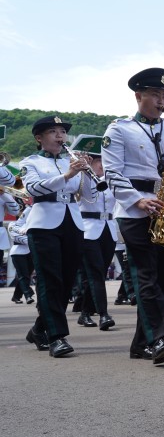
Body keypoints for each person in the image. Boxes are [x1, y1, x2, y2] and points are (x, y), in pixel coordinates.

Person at [102, 68, 164, 364]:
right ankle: (159, 338)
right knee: (146, 274)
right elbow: (112, 173)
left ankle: (141, 344)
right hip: (134, 207)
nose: (161, 100)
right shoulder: (119, 129)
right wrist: (136, 200)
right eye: (155, 94)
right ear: (139, 96)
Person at [21, 115, 90, 357]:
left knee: (68, 281)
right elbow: (32, 188)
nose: (60, 136)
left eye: (62, 131)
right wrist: (68, 175)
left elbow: (88, 195)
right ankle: (56, 337)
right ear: (39, 138)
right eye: (53, 131)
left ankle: (39, 329)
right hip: (44, 223)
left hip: (73, 220)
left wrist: (89, 171)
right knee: (49, 281)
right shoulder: (31, 162)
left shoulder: (70, 159)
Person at [77, 145, 117, 331]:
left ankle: (85, 312)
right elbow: (87, 195)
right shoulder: (82, 178)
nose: (102, 165)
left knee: (96, 274)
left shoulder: (111, 180)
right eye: (99, 162)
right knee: (94, 273)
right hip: (89, 230)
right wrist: (84, 169)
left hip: (108, 229)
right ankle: (103, 314)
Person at [8, 201, 34, 304]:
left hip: (30, 251)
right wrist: (32, 239)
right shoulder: (12, 224)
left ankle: (16, 296)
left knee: (24, 275)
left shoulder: (30, 224)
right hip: (18, 252)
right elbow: (17, 237)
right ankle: (28, 295)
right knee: (24, 275)